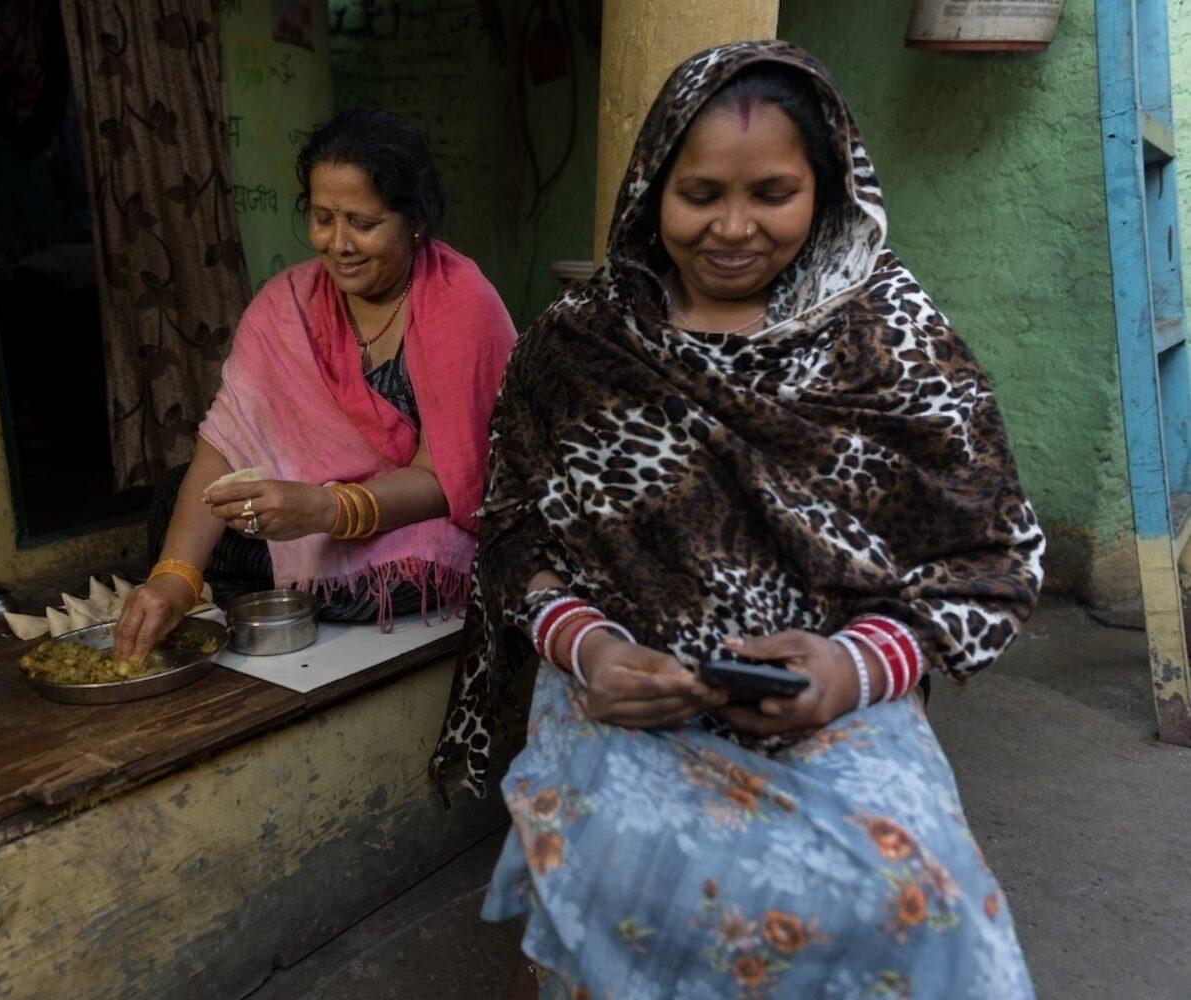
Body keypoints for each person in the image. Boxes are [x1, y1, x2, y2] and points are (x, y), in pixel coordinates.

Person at [430, 42, 1045, 999]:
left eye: (772, 192)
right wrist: (590, 651)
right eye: (700, 192)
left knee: (914, 895)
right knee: (617, 868)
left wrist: (852, 667)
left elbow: (990, 559)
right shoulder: (578, 345)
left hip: (837, 693)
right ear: (650, 190)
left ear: (827, 187)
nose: (733, 228)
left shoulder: (891, 331)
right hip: (621, 683)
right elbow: (513, 541)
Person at [115, 110, 516, 662]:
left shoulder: (463, 306)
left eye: (363, 222)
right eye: (324, 218)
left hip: (411, 528)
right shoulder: (289, 302)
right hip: (305, 511)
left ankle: (288, 589)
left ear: (415, 220)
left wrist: (327, 511)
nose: (339, 243)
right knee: (179, 495)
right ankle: (274, 585)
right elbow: (226, 443)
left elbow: (451, 481)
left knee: (406, 570)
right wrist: (174, 580)